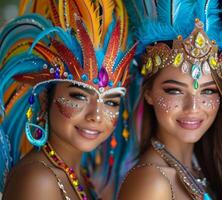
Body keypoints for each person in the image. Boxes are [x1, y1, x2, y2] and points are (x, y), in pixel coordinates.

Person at [0, 0, 137, 199]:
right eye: (79, 96)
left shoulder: (79, 175)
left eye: (111, 102)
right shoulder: (38, 179)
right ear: (46, 98)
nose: (96, 116)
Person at [118, 0, 222, 199]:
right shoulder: (151, 182)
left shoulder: (199, 172)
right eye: (175, 91)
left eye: (208, 91)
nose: (193, 107)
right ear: (149, 93)